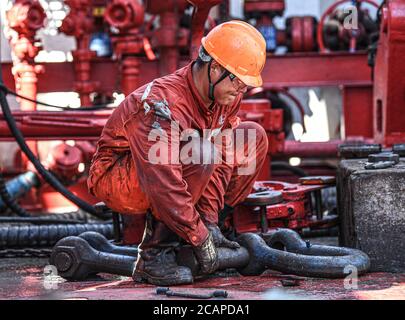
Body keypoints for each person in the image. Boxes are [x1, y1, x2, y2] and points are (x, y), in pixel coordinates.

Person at [88, 20, 268, 285]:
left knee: (251, 138)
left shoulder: (224, 96)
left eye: (245, 85)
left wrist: (208, 223)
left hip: (172, 170)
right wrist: (199, 237)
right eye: (238, 82)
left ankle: (202, 229)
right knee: (199, 151)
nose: (241, 91)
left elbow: (222, 158)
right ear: (215, 68)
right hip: (120, 177)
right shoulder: (162, 104)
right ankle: (153, 257)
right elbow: (163, 179)